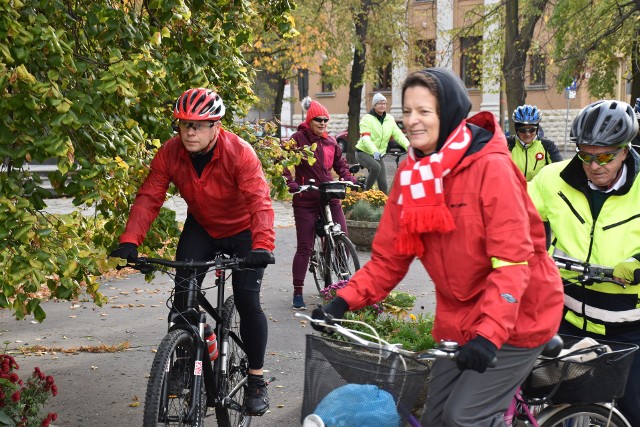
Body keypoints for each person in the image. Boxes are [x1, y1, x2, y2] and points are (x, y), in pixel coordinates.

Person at [312, 68, 565, 426]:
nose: (412, 121)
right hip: (459, 319)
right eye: (408, 111)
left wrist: (490, 335)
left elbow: (511, 264)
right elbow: (389, 259)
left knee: (464, 418)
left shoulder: (491, 167)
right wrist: (342, 301)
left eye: (424, 111)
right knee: (434, 418)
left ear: (448, 114)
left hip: (519, 317)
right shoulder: (412, 175)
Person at [109, 88, 275, 416]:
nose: (190, 132)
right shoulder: (170, 153)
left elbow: (259, 200)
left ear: (216, 126)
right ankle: (186, 366)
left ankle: (256, 380)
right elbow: (149, 196)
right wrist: (131, 240)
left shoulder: (239, 153)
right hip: (202, 227)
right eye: (184, 124)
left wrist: (262, 246)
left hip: (243, 231)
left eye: (199, 125)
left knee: (246, 299)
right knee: (183, 295)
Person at [528, 99, 640, 426]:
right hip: (566, 321)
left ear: (624, 150)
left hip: (629, 332)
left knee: (631, 413)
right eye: (585, 155)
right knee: (556, 407)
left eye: (604, 156)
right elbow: (512, 218)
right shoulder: (553, 179)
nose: (593, 165)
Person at [283, 98, 358, 310]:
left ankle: (342, 287)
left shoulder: (331, 142)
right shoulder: (298, 139)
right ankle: (298, 292)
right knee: (305, 247)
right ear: (310, 120)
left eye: (326, 120)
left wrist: (350, 180)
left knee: (341, 236)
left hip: (329, 196)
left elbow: (341, 166)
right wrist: (291, 182)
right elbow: (283, 161)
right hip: (306, 198)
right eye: (319, 119)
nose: (323, 123)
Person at [355, 93, 409, 194]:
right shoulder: (367, 119)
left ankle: (383, 207)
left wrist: (408, 146)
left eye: (384, 103)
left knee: (384, 185)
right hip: (363, 152)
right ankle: (364, 193)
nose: (382, 105)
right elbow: (365, 138)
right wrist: (374, 151)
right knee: (376, 168)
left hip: (378, 155)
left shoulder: (389, 119)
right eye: (380, 103)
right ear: (374, 105)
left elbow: (398, 135)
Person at [507, 104, 562, 181]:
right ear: (516, 129)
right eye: (522, 130)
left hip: (538, 191)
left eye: (532, 130)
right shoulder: (507, 144)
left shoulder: (547, 145)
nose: (527, 134)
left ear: (537, 129)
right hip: (514, 191)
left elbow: (558, 170)